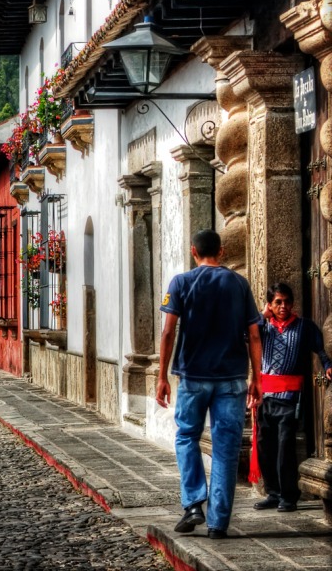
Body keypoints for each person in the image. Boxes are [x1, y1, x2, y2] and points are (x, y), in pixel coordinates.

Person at [156, 229, 262, 540]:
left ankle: (192, 504)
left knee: (187, 436)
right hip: (232, 379)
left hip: (192, 376)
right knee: (226, 449)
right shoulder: (240, 284)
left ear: (193, 251)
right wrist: (256, 377)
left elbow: (167, 333)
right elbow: (254, 335)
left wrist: (162, 376)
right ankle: (218, 523)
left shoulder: (181, 283)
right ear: (222, 251)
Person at [251, 282, 332, 513]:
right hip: (265, 398)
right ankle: (273, 494)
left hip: (290, 398)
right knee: (266, 446)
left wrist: (327, 365)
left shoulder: (304, 326)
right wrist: (262, 315)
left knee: (285, 447)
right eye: (277, 302)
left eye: (287, 301)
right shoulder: (263, 328)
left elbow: (322, 348)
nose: (283, 306)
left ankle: (289, 496)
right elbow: (242, 333)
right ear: (270, 304)